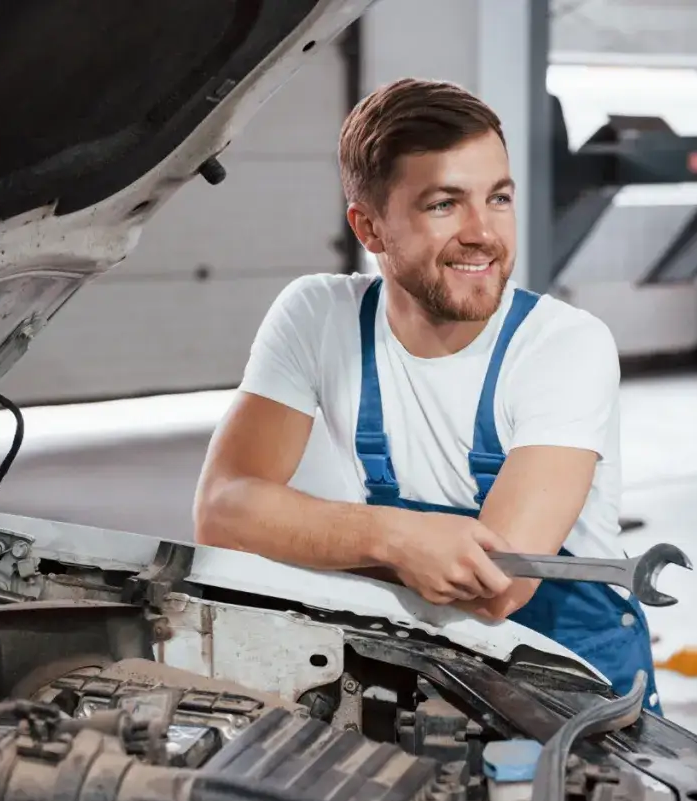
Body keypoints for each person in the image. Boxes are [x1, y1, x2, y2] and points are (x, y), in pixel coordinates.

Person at [192, 77, 661, 714]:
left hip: (574, 684)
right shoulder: (317, 315)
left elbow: (501, 588)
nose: (483, 233)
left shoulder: (564, 344)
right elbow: (222, 514)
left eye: (498, 198)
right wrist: (394, 538)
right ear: (370, 228)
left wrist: (307, 540)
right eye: (445, 204)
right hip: (417, 667)